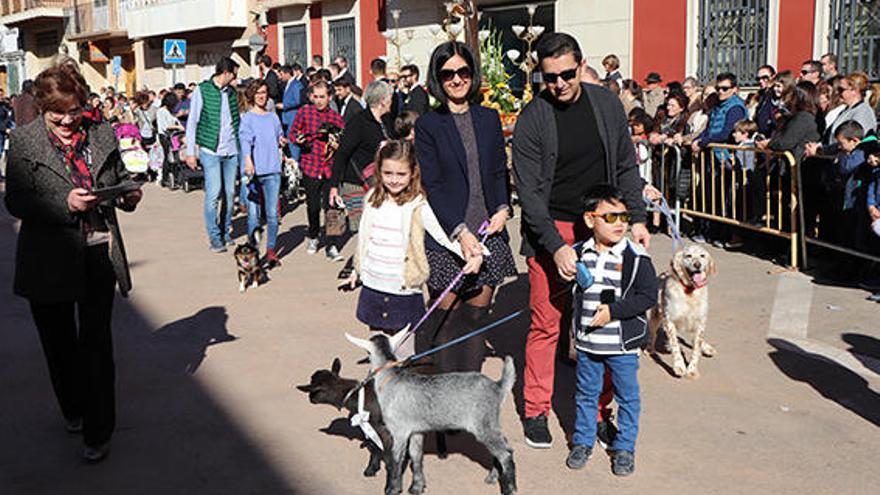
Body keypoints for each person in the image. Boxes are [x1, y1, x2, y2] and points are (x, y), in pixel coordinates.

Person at [512, 32, 649, 449]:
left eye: (567, 74)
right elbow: (530, 194)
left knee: (602, 323)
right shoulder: (533, 118)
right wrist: (555, 246)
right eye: (549, 77)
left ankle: (600, 410)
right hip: (552, 226)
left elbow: (626, 166)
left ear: (580, 65)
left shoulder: (606, 104)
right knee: (546, 323)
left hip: (604, 224)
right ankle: (536, 408)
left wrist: (636, 219)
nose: (559, 84)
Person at [4, 64, 143, 463]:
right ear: (43, 108)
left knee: (97, 344)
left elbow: (116, 176)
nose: (68, 120)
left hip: (98, 249)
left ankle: (100, 431)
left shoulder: (102, 134)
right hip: (47, 257)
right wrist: (63, 202)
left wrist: (126, 195)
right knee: (60, 344)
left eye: (75, 110)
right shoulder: (24, 140)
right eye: (58, 113)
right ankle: (74, 408)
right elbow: (16, 200)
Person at [414, 40, 518, 374]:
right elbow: (434, 183)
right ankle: (442, 397)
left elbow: (498, 169)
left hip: (488, 234)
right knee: (447, 316)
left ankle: (468, 392)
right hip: (448, 236)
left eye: (463, 71)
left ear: (472, 75)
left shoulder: (488, 118)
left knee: (475, 318)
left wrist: (503, 207)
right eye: (448, 74)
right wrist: (460, 232)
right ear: (437, 79)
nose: (457, 79)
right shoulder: (429, 125)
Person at [346, 139, 481, 358]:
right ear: (379, 172)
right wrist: (356, 271)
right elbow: (364, 238)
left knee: (404, 354)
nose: (394, 180)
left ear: (413, 173)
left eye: (401, 174)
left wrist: (473, 253)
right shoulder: (371, 199)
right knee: (378, 354)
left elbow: (444, 235)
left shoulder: (418, 203)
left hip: (403, 290)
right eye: (388, 173)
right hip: (374, 286)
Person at [564, 184, 656, 476]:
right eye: (611, 217)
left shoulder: (636, 256)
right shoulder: (579, 253)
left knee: (628, 397)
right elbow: (573, 294)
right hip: (589, 344)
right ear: (591, 220)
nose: (620, 224)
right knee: (586, 394)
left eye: (624, 217)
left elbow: (647, 297)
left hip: (622, 345)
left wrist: (613, 312)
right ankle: (582, 441)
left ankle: (625, 448)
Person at [185, 56, 241, 253]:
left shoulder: (232, 93)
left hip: (231, 150)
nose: (235, 79)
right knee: (213, 193)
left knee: (230, 193)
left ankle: (226, 231)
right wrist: (190, 152)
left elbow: (237, 120)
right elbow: (192, 121)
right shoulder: (202, 90)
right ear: (225, 73)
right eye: (234, 74)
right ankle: (215, 237)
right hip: (210, 149)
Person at [330, 80, 393, 240]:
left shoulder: (384, 121)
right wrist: (334, 186)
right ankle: (361, 263)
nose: (392, 101)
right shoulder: (359, 122)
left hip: (376, 182)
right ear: (383, 101)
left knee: (377, 228)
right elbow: (342, 153)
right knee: (364, 230)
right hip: (357, 182)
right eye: (390, 97)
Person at [290, 80, 346, 259]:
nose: (319, 100)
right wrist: (299, 139)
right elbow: (292, 133)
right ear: (311, 96)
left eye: (323, 97)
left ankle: (332, 244)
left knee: (331, 208)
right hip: (311, 166)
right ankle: (313, 235)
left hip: (330, 168)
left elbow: (344, 141)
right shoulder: (304, 112)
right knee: (313, 207)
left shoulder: (336, 117)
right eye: (316, 96)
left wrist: (337, 143)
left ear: (330, 97)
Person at [240, 80, 286, 266]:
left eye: (264, 92)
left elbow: (278, 136)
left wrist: (282, 140)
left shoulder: (273, 117)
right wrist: (248, 161)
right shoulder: (248, 118)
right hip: (254, 171)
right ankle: (253, 249)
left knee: (273, 215)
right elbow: (245, 142)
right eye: (258, 92)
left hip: (273, 169)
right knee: (253, 215)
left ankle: (271, 250)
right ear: (252, 95)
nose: (262, 96)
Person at [278, 64, 305, 160]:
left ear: (287, 73)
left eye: (281, 74)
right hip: (288, 118)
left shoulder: (296, 84)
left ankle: (296, 162)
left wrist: (285, 105)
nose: (279, 76)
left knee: (293, 141)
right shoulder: (288, 84)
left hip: (293, 117)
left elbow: (298, 100)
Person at [754, 64, 777, 136]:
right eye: (758, 79)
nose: (761, 81)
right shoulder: (760, 95)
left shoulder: (776, 95)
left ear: (773, 77)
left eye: (765, 77)